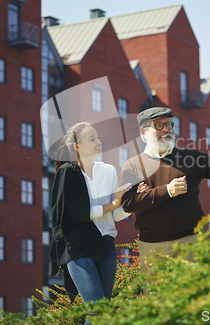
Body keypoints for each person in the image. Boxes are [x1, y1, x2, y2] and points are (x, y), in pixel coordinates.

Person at [120, 107, 210, 288]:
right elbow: (128, 203)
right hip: (152, 247)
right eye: (159, 125)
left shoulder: (190, 158)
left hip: (189, 243)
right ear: (143, 133)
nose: (166, 129)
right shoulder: (133, 166)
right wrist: (167, 191)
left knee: (190, 301)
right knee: (157, 304)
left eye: (169, 124)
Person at [49, 122, 146, 323]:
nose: (99, 142)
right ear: (77, 146)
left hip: (106, 247)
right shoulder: (67, 172)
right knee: (96, 312)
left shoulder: (108, 171)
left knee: (103, 314)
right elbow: (78, 214)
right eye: (92, 139)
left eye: (98, 137)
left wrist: (135, 200)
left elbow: (116, 214)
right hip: (78, 248)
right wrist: (114, 203)